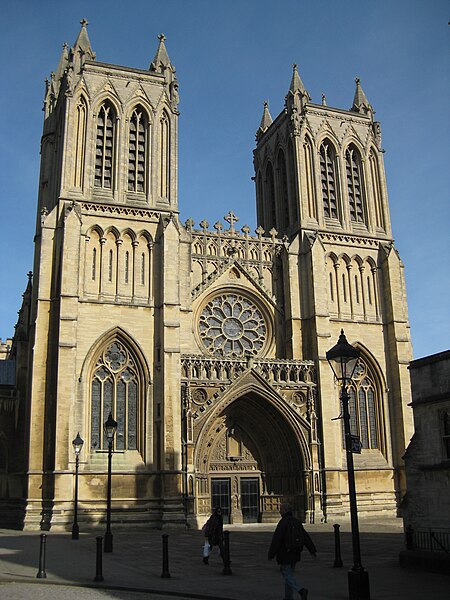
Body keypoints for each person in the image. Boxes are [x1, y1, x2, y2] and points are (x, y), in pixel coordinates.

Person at [268, 502, 317, 600]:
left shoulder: (283, 523)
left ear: (285, 511)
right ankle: (288, 597)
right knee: (289, 575)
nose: (279, 511)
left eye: (281, 509)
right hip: (295, 552)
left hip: (285, 553)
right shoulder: (296, 521)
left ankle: (300, 590)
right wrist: (312, 550)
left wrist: (271, 554)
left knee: (287, 575)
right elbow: (305, 536)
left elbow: (277, 539)